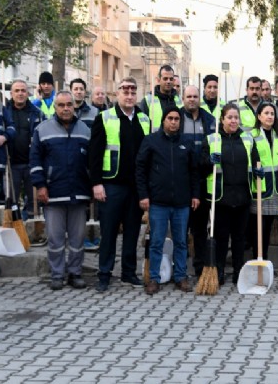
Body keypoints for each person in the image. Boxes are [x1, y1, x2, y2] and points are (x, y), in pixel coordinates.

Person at [89, 77, 150, 292]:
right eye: (125, 90)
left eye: (133, 91)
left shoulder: (144, 119)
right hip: (111, 185)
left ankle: (128, 272)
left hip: (135, 188)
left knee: (133, 232)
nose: (130, 94)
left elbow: (147, 156)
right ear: (117, 94)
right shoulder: (104, 118)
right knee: (109, 232)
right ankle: (104, 274)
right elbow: (94, 154)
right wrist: (96, 183)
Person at [30, 91, 92, 290]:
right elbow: (35, 160)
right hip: (53, 193)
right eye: (61, 105)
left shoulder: (85, 129)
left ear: (74, 106)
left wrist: (91, 187)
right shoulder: (42, 129)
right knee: (55, 239)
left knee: (77, 238)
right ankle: (57, 274)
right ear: (55, 107)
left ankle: (75, 273)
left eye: (69, 105)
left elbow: (92, 162)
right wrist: (40, 185)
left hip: (79, 193)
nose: (66, 109)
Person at [136, 106, 201, 295]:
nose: (173, 122)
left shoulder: (187, 142)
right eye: (170, 118)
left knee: (181, 241)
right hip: (158, 202)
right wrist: (143, 195)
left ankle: (180, 276)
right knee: (156, 242)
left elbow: (194, 171)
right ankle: (154, 278)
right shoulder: (151, 141)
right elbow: (140, 169)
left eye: (177, 119)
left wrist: (195, 194)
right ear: (163, 121)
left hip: (182, 202)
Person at [203, 104, 261, 286]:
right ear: (222, 120)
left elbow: (256, 159)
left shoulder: (247, 139)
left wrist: (259, 171)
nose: (234, 120)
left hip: (242, 196)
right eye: (230, 117)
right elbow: (200, 164)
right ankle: (218, 271)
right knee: (220, 237)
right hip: (220, 197)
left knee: (239, 238)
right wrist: (208, 160)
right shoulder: (213, 139)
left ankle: (238, 271)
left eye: (236, 117)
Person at [181, 85, 216, 278]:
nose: (192, 99)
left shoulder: (209, 120)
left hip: (203, 180)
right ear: (183, 98)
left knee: (200, 228)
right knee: (180, 228)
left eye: (195, 96)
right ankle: (179, 268)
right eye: (189, 96)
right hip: (181, 180)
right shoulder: (175, 118)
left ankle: (200, 266)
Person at [248, 102, 278, 260]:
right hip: (259, 187)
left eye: (272, 114)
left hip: (275, 187)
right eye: (266, 113)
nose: (270, 116)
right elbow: (248, 157)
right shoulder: (252, 135)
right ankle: (258, 257)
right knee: (258, 228)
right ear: (259, 116)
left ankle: (264, 257)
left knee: (269, 226)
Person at [7, 79, 43, 222]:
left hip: (31, 163)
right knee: (11, 199)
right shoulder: (4, 112)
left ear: (27, 93)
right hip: (11, 164)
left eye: (23, 90)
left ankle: (33, 229)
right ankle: (13, 227)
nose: (20, 94)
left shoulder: (36, 113)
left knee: (33, 201)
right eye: (17, 91)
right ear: (11, 93)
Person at [140, 65, 183, 131]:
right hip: (155, 140)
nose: (168, 82)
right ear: (158, 80)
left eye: (171, 79)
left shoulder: (179, 101)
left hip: (175, 140)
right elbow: (141, 126)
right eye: (165, 79)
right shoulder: (147, 101)